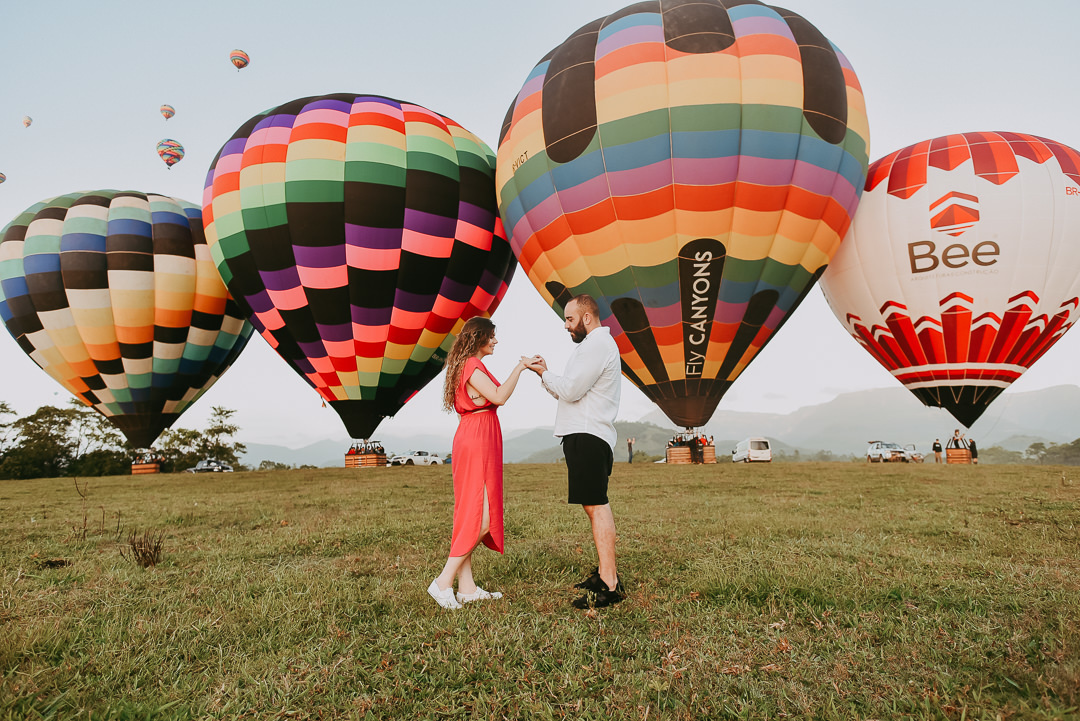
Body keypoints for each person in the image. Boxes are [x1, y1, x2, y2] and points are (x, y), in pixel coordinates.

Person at [525, 294, 626, 609]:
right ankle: (605, 572)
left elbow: (569, 389)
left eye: (569, 319)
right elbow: (570, 389)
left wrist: (543, 373)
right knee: (592, 505)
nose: (565, 325)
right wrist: (547, 375)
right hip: (584, 433)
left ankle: (610, 583)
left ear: (586, 318)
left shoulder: (597, 346)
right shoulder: (592, 347)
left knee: (597, 505)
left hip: (589, 434)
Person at [428, 317, 532, 610]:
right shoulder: (472, 367)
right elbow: (498, 396)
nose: (496, 341)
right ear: (479, 338)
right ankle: (443, 581)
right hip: (476, 440)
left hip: (475, 437)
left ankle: (468, 588)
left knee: (469, 513)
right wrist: (520, 367)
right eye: (492, 337)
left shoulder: (470, 366)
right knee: (481, 518)